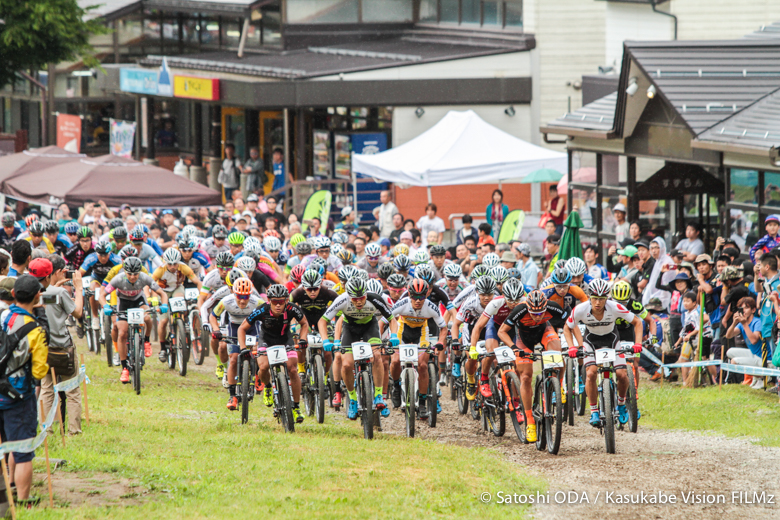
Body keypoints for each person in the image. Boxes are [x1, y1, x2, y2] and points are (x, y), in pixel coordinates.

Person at [563, 278, 643, 428]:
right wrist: (571, 347)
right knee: (591, 373)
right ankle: (594, 411)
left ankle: (620, 403)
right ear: (589, 298)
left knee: (622, 374)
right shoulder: (581, 309)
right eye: (594, 299)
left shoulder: (615, 307)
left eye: (601, 299)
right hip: (591, 342)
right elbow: (567, 327)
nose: (598, 303)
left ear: (607, 298)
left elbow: (637, 322)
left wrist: (638, 344)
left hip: (612, 340)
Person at [0, 275, 49, 506]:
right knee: (23, 450)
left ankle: (9, 486)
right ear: (37, 296)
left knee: (6, 444)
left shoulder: (2, 316)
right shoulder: (35, 331)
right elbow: (39, 372)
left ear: (13, 294)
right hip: (18, 396)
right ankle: (23, 500)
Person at [37, 256, 84, 435]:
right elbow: (77, 312)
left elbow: (47, 298)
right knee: (72, 389)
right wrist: (78, 289)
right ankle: (74, 431)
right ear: (56, 272)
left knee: (47, 389)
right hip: (63, 347)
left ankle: (46, 430)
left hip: (43, 348)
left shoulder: (36, 292)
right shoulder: (61, 293)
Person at [675, 291, 716, 385]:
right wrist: (679, 341)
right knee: (683, 358)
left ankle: (715, 379)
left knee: (704, 359)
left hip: (703, 337)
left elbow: (699, 327)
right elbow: (685, 329)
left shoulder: (698, 311)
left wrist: (689, 335)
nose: (685, 303)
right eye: (684, 301)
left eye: (688, 301)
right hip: (692, 339)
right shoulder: (687, 314)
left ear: (694, 303)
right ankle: (686, 381)